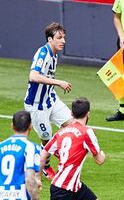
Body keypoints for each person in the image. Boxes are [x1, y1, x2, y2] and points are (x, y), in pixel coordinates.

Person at [24, 22, 73, 181]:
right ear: (50, 39)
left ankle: (59, 150)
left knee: (73, 125)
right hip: (37, 105)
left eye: (64, 38)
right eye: (59, 38)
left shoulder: (54, 54)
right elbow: (33, 76)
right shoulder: (43, 54)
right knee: (46, 137)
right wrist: (58, 82)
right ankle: (45, 166)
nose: (63, 41)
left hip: (50, 100)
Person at [40, 97, 106, 200]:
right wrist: (102, 153)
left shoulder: (61, 132)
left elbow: (43, 154)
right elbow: (100, 160)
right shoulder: (87, 132)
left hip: (73, 186)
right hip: (63, 189)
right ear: (88, 114)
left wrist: (36, 177)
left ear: (71, 113)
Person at [0, 110, 41, 200]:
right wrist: (35, 198)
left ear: (12, 126)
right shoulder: (31, 147)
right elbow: (29, 179)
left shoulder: (1, 146)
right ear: (30, 126)